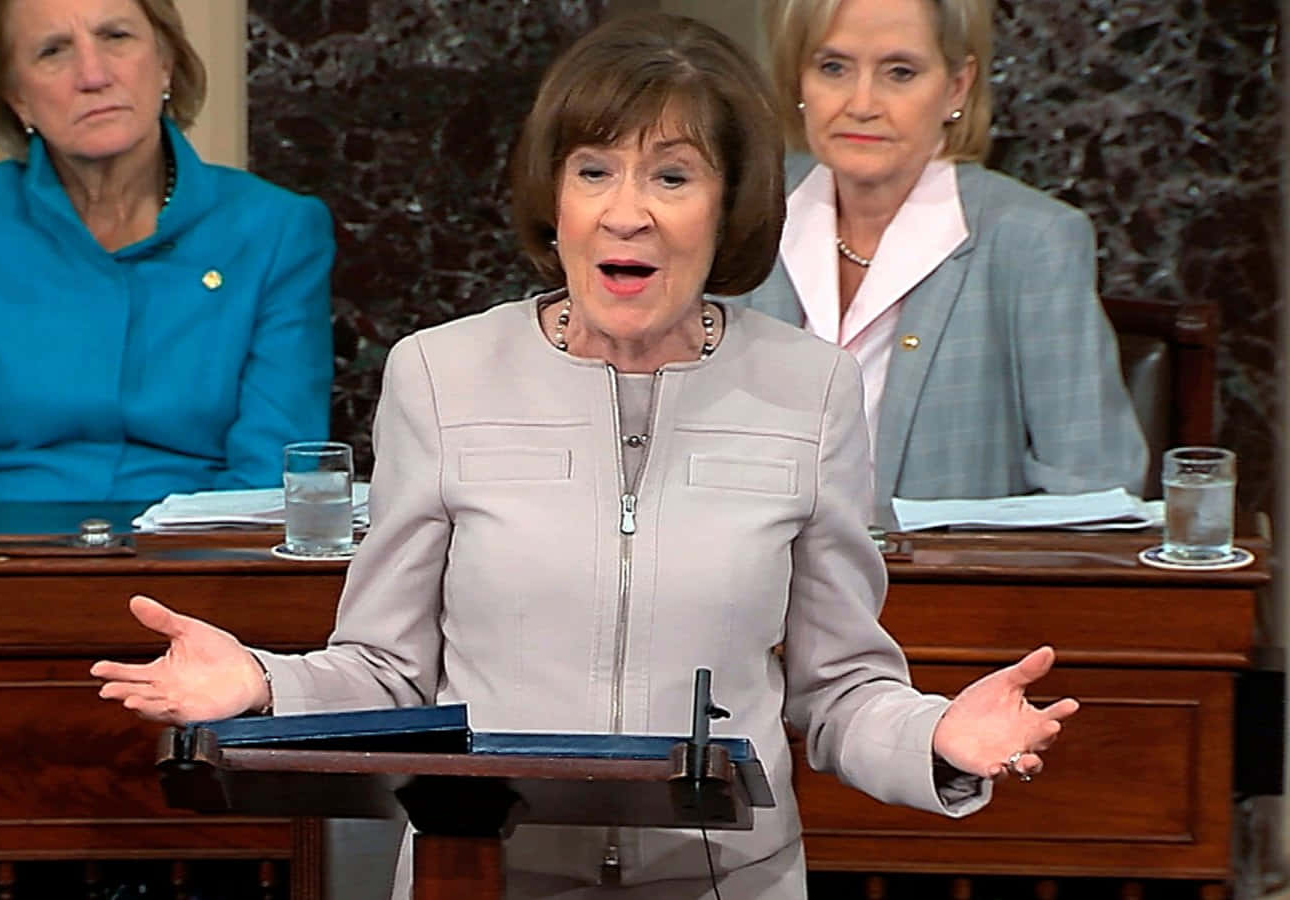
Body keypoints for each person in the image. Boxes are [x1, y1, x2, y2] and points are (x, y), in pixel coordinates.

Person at [92, 13, 1078, 898]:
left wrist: (939, 738)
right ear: (553, 197)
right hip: (480, 872)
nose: (627, 211)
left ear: (727, 205)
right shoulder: (440, 375)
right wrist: (263, 682)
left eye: (673, 176)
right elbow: (386, 672)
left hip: (723, 878)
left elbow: (840, 691)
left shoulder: (809, 390)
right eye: (594, 170)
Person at [0, 0, 334, 502]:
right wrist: (6, 572)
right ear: (16, 97)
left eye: (115, 37)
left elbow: (273, 472)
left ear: (165, 62)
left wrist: (179, 575)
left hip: (200, 562)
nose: (92, 75)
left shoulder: (277, 230)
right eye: (53, 51)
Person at [732, 0, 1147, 512]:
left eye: (899, 72)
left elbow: (1094, 492)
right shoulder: (743, 214)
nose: (861, 103)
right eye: (833, 67)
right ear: (800, 78)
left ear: (956, 86)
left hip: (949, 588)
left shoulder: (1032, 241)